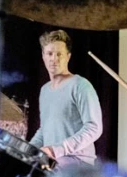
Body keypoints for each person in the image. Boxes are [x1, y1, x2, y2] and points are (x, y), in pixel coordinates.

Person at [29, 29, 103, 169]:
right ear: (43, 56)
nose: (54, 59)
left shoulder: (80, 85)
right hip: (54, 161)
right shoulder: (44, 90)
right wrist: (28, 150)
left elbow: (94, 127)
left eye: (59, 54)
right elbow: (44, 130)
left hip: (78, 164)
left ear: (68, 57)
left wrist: (56, 150)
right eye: (50, 54)